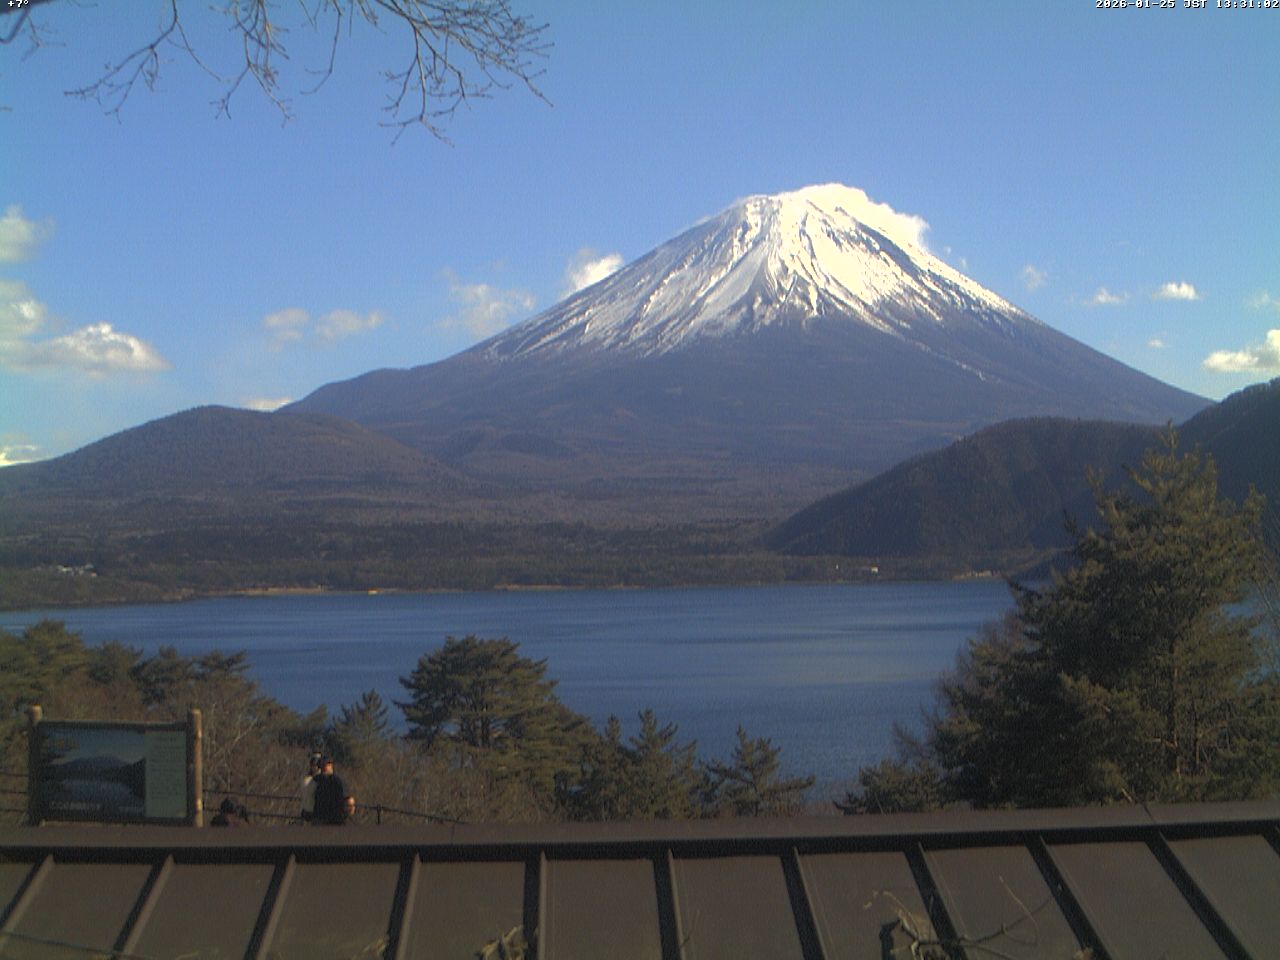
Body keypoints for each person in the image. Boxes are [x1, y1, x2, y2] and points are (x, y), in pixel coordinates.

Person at [310, 755, 348, 825]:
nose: (323, 767)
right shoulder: (316, 780)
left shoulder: (337, 781)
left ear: (331, 765)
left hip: (334, 818)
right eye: (322, 765)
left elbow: (347, 799)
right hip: (320, 817)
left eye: (325, 765)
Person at [299, 751, 321, 823]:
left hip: (316, 813)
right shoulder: (305, 777)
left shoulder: (322, 779)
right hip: (306, 811)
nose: (314, 765)